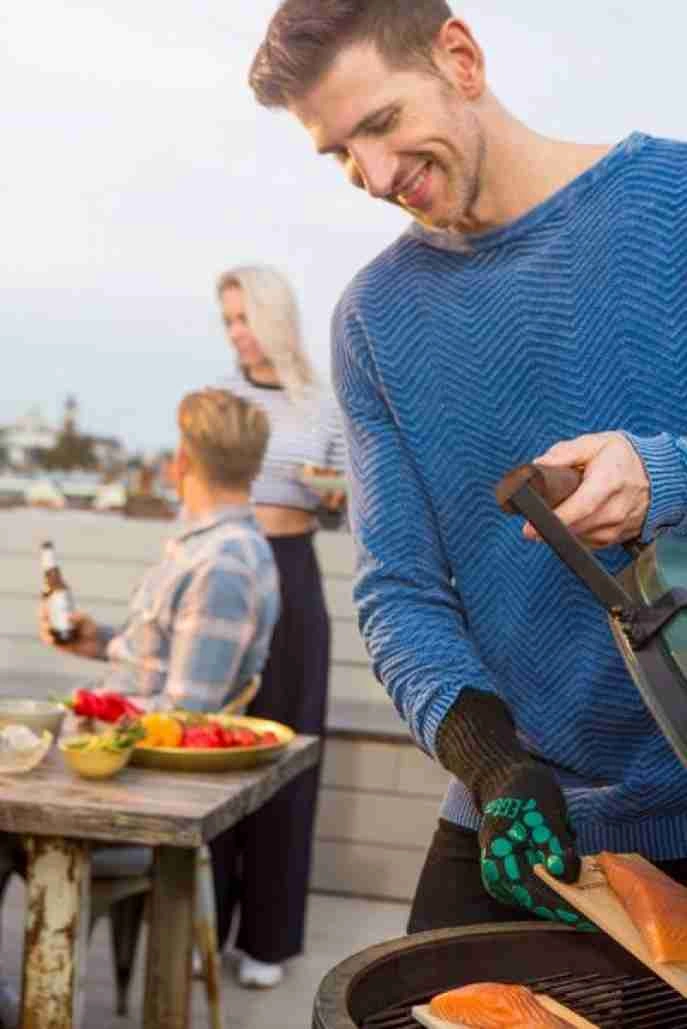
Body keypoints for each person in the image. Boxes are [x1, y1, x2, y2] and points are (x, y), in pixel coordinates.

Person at [249, 0, 687, 934]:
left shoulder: (673, 204)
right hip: (526, 815)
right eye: (340, 153)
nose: (373, 176)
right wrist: (491, 763)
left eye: (381, 122)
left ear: (459, 57)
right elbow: (398, 590)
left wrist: (665, 476)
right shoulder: (372, 318)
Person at [209, 264, 346, 987]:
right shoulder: (216, 400)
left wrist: (336, 496)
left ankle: (267, 938)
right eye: (227, 320)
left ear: (275, 317)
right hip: (227, 572)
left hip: (293, 570)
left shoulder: (323, 404)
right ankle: (204, 923)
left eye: (244, 317)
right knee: (213, 744)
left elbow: (344, 502)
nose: (236, 332)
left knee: (286, 748)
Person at [39, 387, 279, 715]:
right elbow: (173, 658)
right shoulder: (209, 547)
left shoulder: (222, 566)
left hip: (123, 743)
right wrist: (101, 642)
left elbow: (185, 715)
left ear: (182, 462)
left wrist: (83, 713)